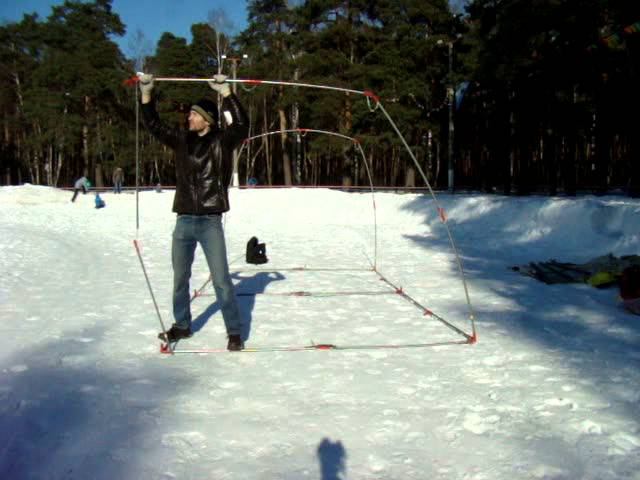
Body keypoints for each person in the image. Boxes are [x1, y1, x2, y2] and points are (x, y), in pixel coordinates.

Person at [139, 72, 249, 351]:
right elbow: (153, 124)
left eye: (194, 115)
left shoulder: (222, 142)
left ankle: (234, 332)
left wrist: (226, 93)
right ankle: (182, 325)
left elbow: (242, 124)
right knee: (180, 279)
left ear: (207, 119)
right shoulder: (181, 139)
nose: (189, 118)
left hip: (210, 221)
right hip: (184, 220)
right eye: (189, 115)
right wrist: (147, 94)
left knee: (222, 281)